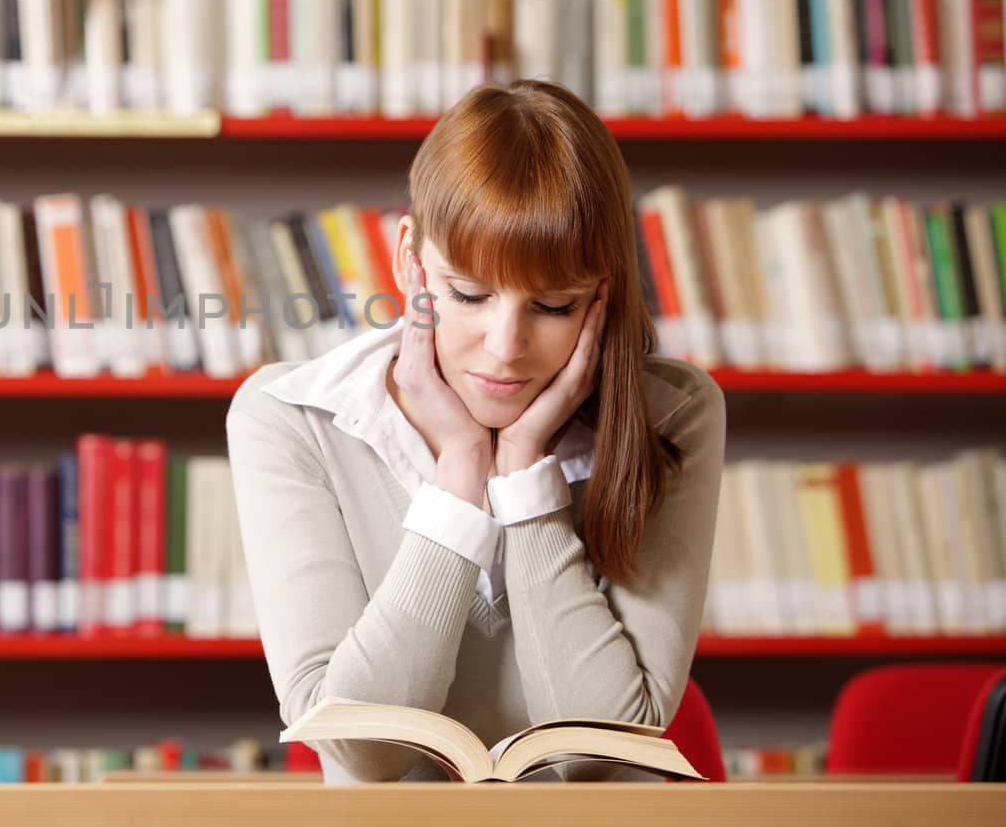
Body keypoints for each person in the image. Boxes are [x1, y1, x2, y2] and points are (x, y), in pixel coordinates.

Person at [225, 80, 726, 783]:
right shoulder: (291, 418)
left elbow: (599, 756)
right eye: (468, 294)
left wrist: (524, 477)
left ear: (603, 295)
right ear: (410, 260)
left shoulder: (673, 414)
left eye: (554, 305)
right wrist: (461, 472)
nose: (505, 345)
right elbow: (363, 753)